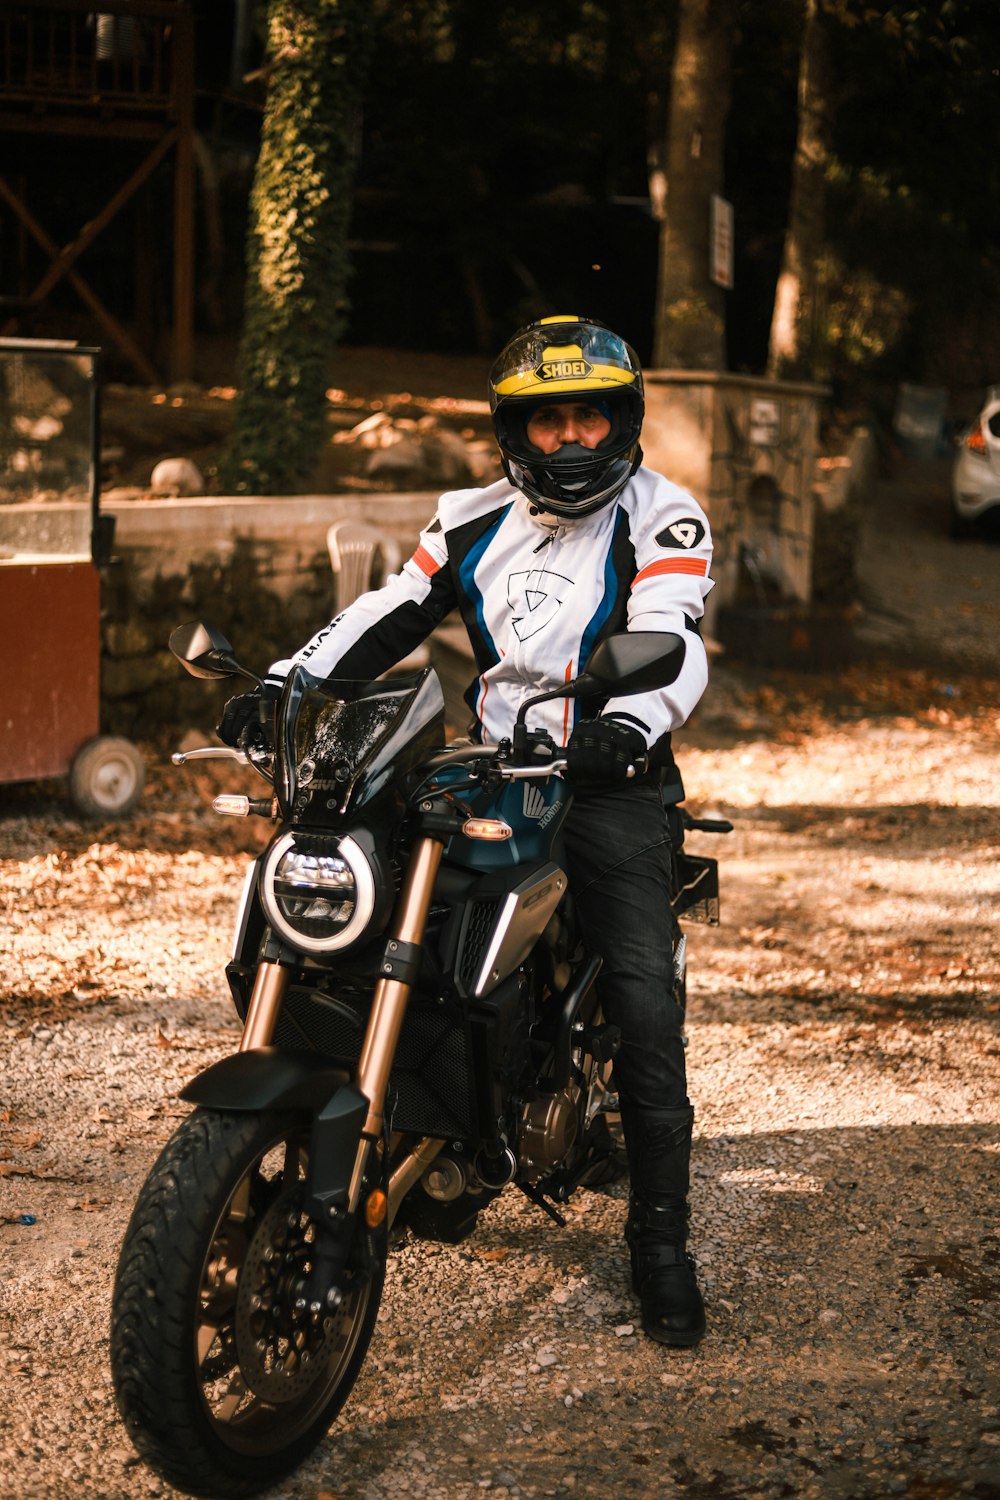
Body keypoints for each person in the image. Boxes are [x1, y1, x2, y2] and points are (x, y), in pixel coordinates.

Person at [219, 316, 715, 1347]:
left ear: (620, 423)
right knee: (365, 904)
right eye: (548, 425)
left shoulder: (661, 517)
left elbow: (671, 636)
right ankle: (422, 1115)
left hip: (607, 776)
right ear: (514, 433)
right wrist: (280, 684)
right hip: (497, 760)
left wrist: (627, 725)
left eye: (589, 419)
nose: (571, 442)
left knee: (637, 991)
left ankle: (659, 1242)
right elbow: (386, 612)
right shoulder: (468, 517)